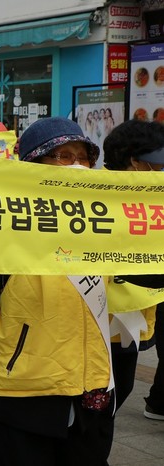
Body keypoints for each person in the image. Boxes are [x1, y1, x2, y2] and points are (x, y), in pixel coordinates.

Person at [0, 117, 114, 465]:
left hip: (90, 391)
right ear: (32, 165)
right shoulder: (6, 215)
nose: (77, 166)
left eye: (83, 157)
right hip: (18, 392)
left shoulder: (106, 221)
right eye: (63, 156)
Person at [103, 119, 164, 414]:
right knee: (97, 397)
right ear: (135, 162)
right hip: (94, 318)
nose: (160, 170)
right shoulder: (92, 196)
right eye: (156, 164)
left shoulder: (152, 197)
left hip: (132, 315)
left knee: (121, 386)